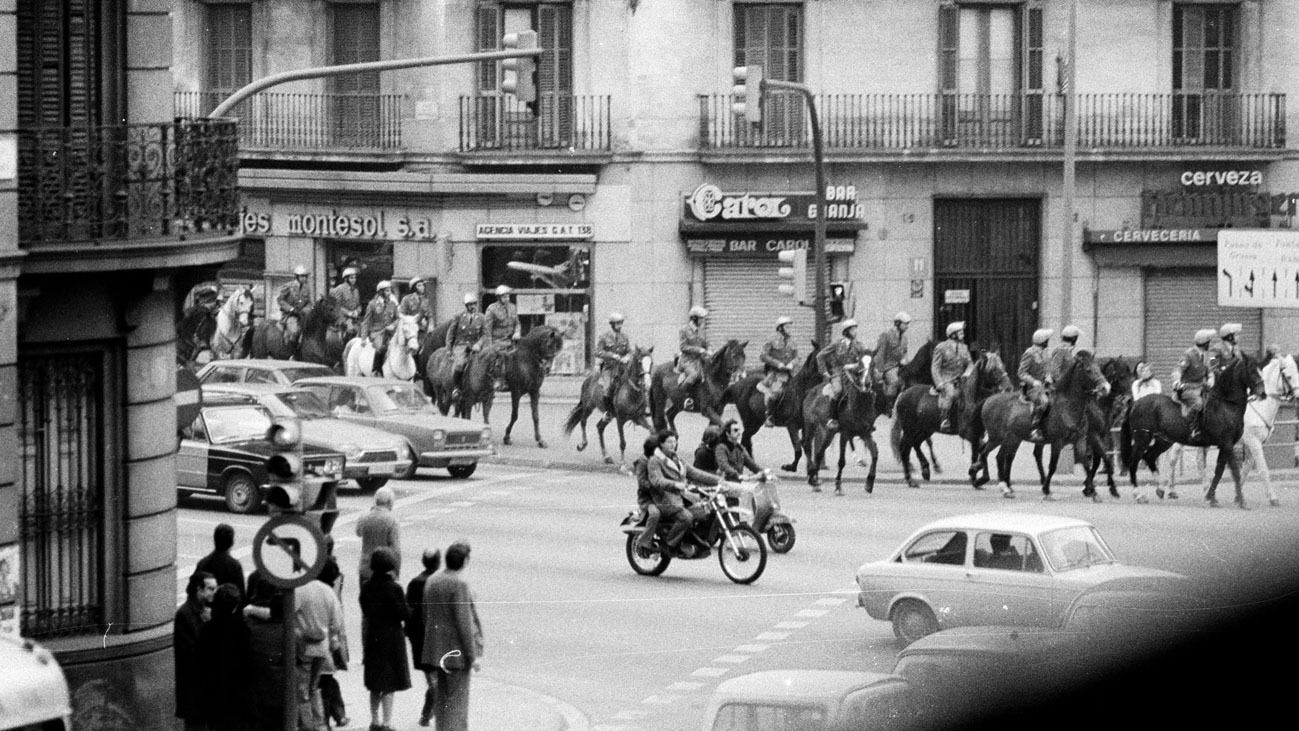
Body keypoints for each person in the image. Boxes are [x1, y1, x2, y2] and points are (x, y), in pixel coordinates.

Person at [422, 542, 484, 731]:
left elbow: (426, 612)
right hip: (455, 653)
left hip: (435, 649)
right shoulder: (459, 584)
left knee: (442, 701)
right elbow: (464, 623)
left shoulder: (432, 580)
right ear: (464, 561)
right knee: (457, 704)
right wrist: (473, 656)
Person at [648, 429, 721, 557]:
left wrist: (719, 480)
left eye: (674, 441)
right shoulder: (654, 461)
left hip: (680, 498)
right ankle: (669, 545)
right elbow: (657, 481)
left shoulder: (679, 460)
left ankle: (691, 540)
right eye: (669, 442)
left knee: (706, 511)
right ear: (661, 444)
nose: (673, 444)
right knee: (686, 517)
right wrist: (675, 484)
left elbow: (696, 473)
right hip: (663, 500)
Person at [360, 546, 411, 731]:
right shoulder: (394, 588)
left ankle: (375, 721)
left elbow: (365, 610)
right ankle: (387, 722)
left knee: (375, 682)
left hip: (374, 635)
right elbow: (404, 613)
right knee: (389, 682)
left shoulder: (366, 587)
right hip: (392, 637)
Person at [198, 583, 257, 731]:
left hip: (214, 694)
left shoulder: (207, 629)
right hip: (239, 695)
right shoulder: (244, 630)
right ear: (235, 606)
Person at [295, 570, 344, 731]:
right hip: (322, 648)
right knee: (314, 687)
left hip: (303, 647)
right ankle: (320, 723)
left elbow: (288, 615)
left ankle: (308, 725)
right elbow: (337, 622)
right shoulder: (327, 591)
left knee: (302, 688)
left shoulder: (298, 590)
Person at [175, 571, 217, 731]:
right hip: (194, 689)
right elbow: (191, 653)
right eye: (211, 589)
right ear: (199, 590)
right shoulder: (185, 614)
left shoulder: (205, 610)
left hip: (204, 687)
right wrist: (208, 625)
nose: (214, 592)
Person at [406, 549, 443, 727]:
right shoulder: (441, 582)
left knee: (432, 676)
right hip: (437, 635)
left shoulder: (415, 583)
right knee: (436, 678)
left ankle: (427, 714)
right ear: (438, 562)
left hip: (419, 636)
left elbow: (409, 612)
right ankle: (435, 714)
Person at [317, 538, 350, 730]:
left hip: (318, 640)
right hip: (329, 638)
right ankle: (334, 717)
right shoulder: (333, 576)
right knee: (328, 680)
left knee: (324, 681)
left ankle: (332, 717)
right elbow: (336, 622)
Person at [816, 319, 870, 430]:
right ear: (846, 331)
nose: (855, 332)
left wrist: (855, 366)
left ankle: (866, 418)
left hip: (854, 373)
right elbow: (820, 356)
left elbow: (866, 357)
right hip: (838, 373)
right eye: (852, 329)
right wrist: (825, 372)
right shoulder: (837, 344)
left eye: (856, 329)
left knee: (866, 388)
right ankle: (832, 418)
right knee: (838, 390)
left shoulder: (859, 345)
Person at [1172, 328, 1216, 442]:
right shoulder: (1188, 354)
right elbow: (1178, 370)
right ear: (1205, 343)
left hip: (1202, 388)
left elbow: (1210, 371)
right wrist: (1176, 381)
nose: (1210, 344)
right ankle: (1189, 428)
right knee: (1198, 403)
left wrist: (1211, 378)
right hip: (1187, 389)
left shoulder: (1208, 355)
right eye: (1209, 342)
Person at [931, 321, 974, 434]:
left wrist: (966, 374)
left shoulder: (964, 347)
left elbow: (970, 363)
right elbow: (935, 367)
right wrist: (939, 383)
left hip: (961, 379)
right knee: (951, 394)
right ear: (953, 333)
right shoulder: (941, 347)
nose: (962, 334)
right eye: (960, 332)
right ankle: (944, 420)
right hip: (946, 379)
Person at [356, 486, 401, 588]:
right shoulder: (392, 520)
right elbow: (396, 549)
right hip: (384, 570)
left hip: (365, 567)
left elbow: (358, 532)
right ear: (390, 502)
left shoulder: (365, 516)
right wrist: (397, 570)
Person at [758, 317, 799, 427]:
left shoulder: (792, 341)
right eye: (787, 327)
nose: (789, 329)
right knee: (775, 393)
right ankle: (769, 416)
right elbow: (763, 356)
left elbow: (797, 357)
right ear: (780, 328)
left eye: (790, 326)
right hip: (775, 373)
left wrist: (792, 363)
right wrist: (777, 363)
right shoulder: (771, 340)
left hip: (790, 373)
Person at [445, 293, 486, 397]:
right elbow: (450, 333)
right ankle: (456, 388)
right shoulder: (459, 317)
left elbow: (485, 334)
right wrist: (449, 349)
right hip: (461, 346)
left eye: (474, 304)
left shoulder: (481, 317)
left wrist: (479, 344)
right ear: (466, 306)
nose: (473, 307)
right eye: (470, 305)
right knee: (459, 364)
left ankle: (485, 389)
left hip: (475, 347)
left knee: (486, 364)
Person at [1018, 328, 1054, 443]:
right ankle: (1034, 428)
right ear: (1042, 341)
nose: (1048, 341)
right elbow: (1021, 372)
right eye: (1047, 339)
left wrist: (1048, 376)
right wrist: (1033, 381)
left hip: (1044, 386)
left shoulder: (1044, 353)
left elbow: (1046, 369)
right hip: (1032, 388)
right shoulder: (1029, 353)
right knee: (1044, 401)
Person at [873, 312, 913, 415]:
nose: (907, 326)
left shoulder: (904, 338)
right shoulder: (886, 335)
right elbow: (880, 354)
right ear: (898, 323)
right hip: (888, 366)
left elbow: (905, 352)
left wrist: (906, 361)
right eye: (905, 324)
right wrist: (880, 371)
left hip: (900, 365)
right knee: (895, 381)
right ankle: (889, 406)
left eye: (908, 324)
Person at [196, 523, 245, 599]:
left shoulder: (203, 563)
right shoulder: (235, 566)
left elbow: (194, 588)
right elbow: (241, 594)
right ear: (232, 542)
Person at [632, 435, 663, 557]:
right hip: (648, 499)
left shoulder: (660, 460)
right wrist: (655, 485)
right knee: (655, 514)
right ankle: (644, 541)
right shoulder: (643, 462)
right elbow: (642, 482)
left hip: (663, 496)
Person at [361, 280, 400, 375]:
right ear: (381, 292)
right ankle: (376, 370)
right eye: (387, 291)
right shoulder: (373, 304)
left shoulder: (392, 304)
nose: (389, 293)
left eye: (390, 290)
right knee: (381, 349)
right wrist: (363, 338)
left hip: (391, 333)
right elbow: (366, 322)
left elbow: (398, 318)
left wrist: (393, 325)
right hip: (378, 333)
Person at [675, 306, 710, 410]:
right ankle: (685, 398)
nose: (703, 320)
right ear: (695, 318)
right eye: (701, 318)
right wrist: (699, 350)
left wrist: (710, 349)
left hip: (699, 360)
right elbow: (683, 347)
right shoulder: (684, 330)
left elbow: (705, 343)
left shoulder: (701, 331)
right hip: (687, 361)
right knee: (694, 375)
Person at [595, 312, 632, 409]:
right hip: (609, 368)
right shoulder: (604, 337)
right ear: (612, 324)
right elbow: (597, 352)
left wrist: (627, 357)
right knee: (607, 387)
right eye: (617, 323)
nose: (620, 326)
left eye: (621, 323)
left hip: (623, 367)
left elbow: (629, 351)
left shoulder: (624, 337)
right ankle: (608, 411)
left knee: (636, 382)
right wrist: (612, 355)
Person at [330, 267, 362, 336]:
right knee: (350, 330)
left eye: (355, 278)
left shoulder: (356, 290)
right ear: (346, 279)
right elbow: (337, 306)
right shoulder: (339, 289)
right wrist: (348, 313)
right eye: (351, 278)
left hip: (355, 317)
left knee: (363, 329)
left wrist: (357, 311)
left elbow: (359, 305)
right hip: (343, 317)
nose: (354, 280)